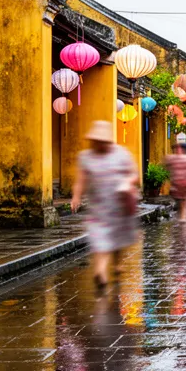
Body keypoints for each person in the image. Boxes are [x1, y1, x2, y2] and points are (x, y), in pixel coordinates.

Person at [71, 120, 140, 288]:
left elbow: (135, 175)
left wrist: (126, 182)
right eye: (97, 141)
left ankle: (117, 264)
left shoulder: (121, 154)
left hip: (119, 206)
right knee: (100, 239)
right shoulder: (86, 157)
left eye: (102, 142)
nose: (99, 145)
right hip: (98, 207)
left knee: (117, 239)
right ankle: (100, 271)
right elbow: (81, 180)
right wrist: (76, 196)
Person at [164, 133, 186, 222]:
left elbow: (166, 165)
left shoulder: (173, 158)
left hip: (180, 183)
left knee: (182, 200)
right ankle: (182, 215)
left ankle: (182, 216)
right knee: (182, 200)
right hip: (181, 183)